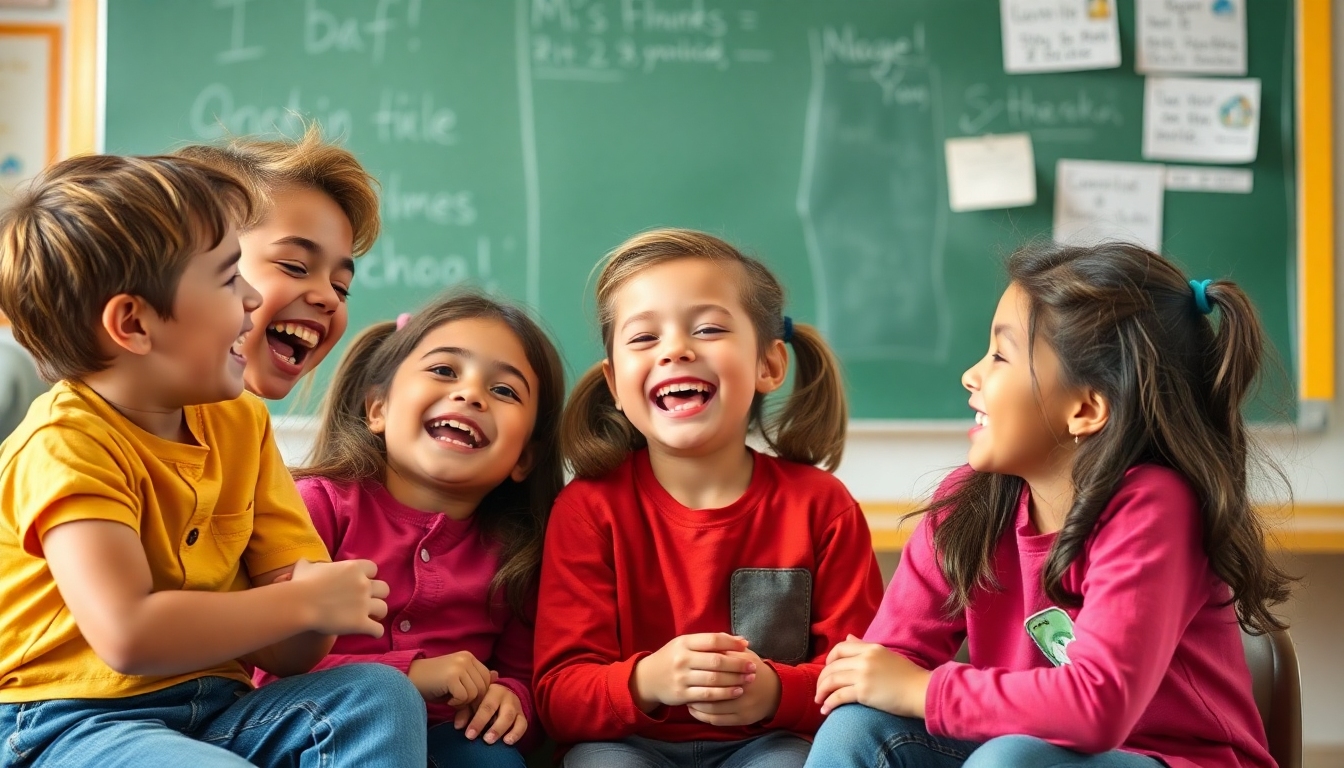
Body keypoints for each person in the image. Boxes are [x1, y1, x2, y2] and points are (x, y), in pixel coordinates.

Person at [0, 154, 425, 767]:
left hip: (215, 709)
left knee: (378, 698)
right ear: (134, 323)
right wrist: (300, 603)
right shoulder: (66, 444)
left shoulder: (239, 421)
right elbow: (129, 634)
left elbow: (288, 656)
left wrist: (318, 605)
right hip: (71, 721)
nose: (251, 298)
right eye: (230, 279)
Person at [807, 242, 1288, 768]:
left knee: (1010, 762)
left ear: (1085, 408)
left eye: (999, 355)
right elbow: (886, 666)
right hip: (1030, 749)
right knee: (858, 728)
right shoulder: (966, 505)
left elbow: (1096, 708)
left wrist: (925, 691)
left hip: (1171, 760)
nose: (972, 375)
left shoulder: (1154, 506)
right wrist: (881, 679)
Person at [535, 228, 885, 767]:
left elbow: (859, 682)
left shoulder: (822, 506)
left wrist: (773, 692)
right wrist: (647, 680)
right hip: (623, 744)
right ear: (614, 383)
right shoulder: (588, 508)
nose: (676, 349)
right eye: (644, 338)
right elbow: (559, 698)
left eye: (708, 328)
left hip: (769, 745)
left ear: (769, 365)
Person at [258, 289, 565, 766]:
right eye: (444, 370)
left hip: (446, 741)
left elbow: (529, 679)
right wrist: (412, 675)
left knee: (493, 757)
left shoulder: (521, 552)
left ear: (525, 456)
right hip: (317, 735)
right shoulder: (316, 507)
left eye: (504, 390)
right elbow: (265, 671)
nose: (470, 395)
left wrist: (512, 700)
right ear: (377, 408)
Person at [178, 125, 380, 400]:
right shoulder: (102, 428)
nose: (330, 299)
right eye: (295, 267)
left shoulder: (247, 427)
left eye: (341, 287)